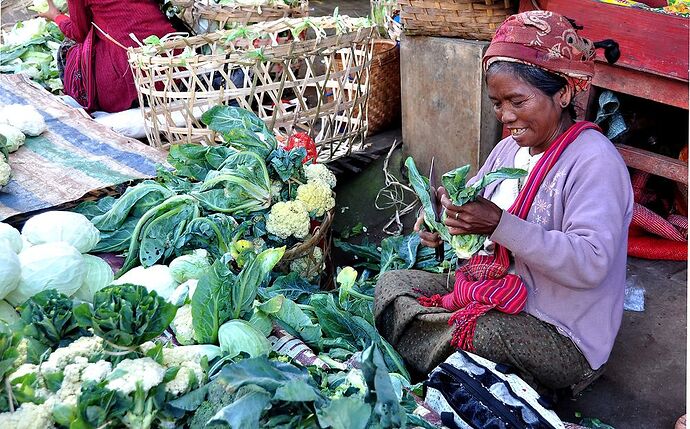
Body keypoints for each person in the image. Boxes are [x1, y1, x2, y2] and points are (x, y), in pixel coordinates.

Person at [375, 10, 632, 397]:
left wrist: (498, 224)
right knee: (392, 285)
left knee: (479, 331)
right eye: (496, 103)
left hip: (558, 328)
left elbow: (591, 263)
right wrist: (445, 222)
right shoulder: (507, 150)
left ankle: (458, 363)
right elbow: (472, 211)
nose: (506, 116)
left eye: (517, 101)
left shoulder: (596, 162)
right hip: (496, 288)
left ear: (563, 92)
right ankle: (461, 368)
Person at [38, 0, 178, 113]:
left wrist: (57, 16)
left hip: (134, 74)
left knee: (67, 48)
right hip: (176, 58)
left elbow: (78, 33)